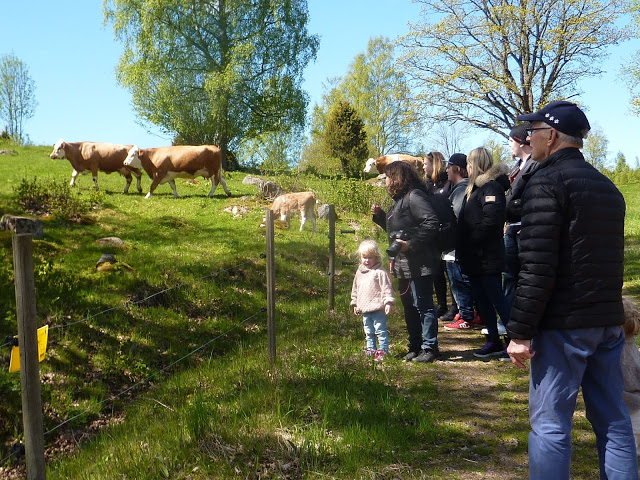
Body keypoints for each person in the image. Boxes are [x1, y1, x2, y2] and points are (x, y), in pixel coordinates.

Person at [507, 100, 638, 478]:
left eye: (533, 132)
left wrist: (520, 331)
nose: (528, 138)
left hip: (564, 326)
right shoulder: (608, 188)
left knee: (550, 424)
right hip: (606, 323)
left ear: (551, 136)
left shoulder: (547, 183)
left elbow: (537, 265)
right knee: (614, 419)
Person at [372, 161, 441, 363]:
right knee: (410, 305)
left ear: (397, 178)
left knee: (423, 305)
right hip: (404, 264)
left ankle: (430, 347)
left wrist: (410, 245)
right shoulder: (398, 201)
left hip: (420, 261)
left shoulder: (414, 196)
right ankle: (415, 346)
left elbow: (431, 223)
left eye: (386, 177)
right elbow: (397, 232)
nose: (384, 181)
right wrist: (380, 217)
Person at [455, 147, 511, 358]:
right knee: (482, 301)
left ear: (476, 164)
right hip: (473, 259)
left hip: (487, 257)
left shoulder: (491, 188)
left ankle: (513, 341)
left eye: (470, 163)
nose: (467, 167)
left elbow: (491, 222)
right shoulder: (474, 190)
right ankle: (493, 341)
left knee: (497, 299)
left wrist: (471, 241)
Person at [440, 153, 478, 331]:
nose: (446, 170)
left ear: (456, 168)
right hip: (455, 245)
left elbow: (457, 216)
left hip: (457, 245)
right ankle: (467, 313)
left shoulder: (463, 189)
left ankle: (466, 316)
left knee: (459, 282)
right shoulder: (458, 188)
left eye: (449, 166)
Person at [503, 121, 539, 312]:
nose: (509, 144)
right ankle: (508, 314)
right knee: (509, 274)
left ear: (521, 141)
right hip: (512, 227)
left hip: (526, 227)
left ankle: (524, 314)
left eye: (510, 140)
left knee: (524, 274)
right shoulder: (516, 167)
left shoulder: (536, 165)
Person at [350, 239, 395, 362]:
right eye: (364, 257)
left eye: (370, 257)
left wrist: (388, 302)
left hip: (378, 308)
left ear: (376, 257)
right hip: (364, 308)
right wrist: (355, 304)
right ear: (360, 257)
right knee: (368, 331)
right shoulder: (359, 273)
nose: (367, 260)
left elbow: (387, 288)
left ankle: (383, 350)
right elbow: (355, 289)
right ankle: (371, 349)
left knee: (380, 330)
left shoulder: (380, 272)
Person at [424, 151, 454, 319]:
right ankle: (441, 304)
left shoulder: (448, 183)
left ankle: (455, 306)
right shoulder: (426, 186)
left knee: (451, 273)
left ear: (434, 164)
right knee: (436, 272)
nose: (423, 167)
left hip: (448, 234)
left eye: (425, 164)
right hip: (433, 235)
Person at [621, 297, 640, 453]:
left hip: (629, 412)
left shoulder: (618, 355)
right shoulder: (634, 350)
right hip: (636, 410)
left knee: (627, 454)